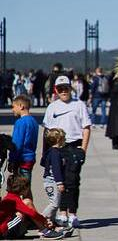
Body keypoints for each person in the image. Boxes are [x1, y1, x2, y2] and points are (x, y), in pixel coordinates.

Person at [43, 75, 91, 228]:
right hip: (57, 147)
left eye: (66, 88)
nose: (64, 91)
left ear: (70, 88)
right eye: (60, 89)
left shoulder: (79, 105)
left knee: (73, 181)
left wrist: (83, 149)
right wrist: (47, 153)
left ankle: (73, 214)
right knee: (61, 181)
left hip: (74, 146)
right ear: (56, 90)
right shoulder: (52, 107)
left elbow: (86, 128)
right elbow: (47, 131)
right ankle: (62, 213)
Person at [9, 95, 38, 183]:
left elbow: (17, 144)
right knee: (26, 188)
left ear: (21, 106)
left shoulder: (20, 122)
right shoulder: (33, 121)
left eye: (13, 107)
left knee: (20, 188)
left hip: (21, 160)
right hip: (30, 158)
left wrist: (12, 159)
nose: (12, 110)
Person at [40, 128, 66, 223]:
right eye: (64, 139)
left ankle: (52, 221)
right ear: (59, 140)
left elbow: (42, 162)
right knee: (54, 204)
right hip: (52, 182)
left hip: (49, 181)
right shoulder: (55, 153)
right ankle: (40, 220)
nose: (65, 141)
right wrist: (60, 183)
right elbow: (56, 169)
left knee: (56, 202)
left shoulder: (50, 151)